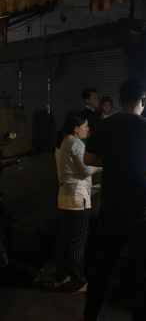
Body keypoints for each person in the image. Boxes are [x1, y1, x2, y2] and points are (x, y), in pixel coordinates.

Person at [82, 79, 146, 321]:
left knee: (102, 268)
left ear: (120, 100)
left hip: (111, 211)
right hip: (143, 212)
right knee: (142, 271)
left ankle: (90, 316)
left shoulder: (104, 126)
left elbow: (88, 158)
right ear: (144, 101)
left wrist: (111, 161)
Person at [54, 111, 100, 292]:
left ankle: (60, 276)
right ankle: (79, 281)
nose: (87, 130)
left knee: (65, 239)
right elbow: (86, 170)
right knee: (77, 241)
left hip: (64, 196)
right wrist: (100, 165)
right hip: (77, 198)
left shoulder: (63, 142)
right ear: (76, 128)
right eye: (85, 126)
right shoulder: (77, 144)